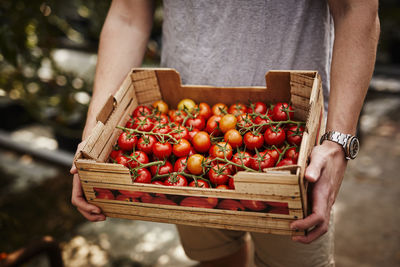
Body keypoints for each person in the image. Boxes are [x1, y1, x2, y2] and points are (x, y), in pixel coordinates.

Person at [70, 0, 380, 266]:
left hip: (296, 144)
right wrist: (93, 138)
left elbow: (356, 7)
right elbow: (127, 13)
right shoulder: (176, 152)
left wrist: (338, 142)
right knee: (216, 258)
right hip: (183, 147)